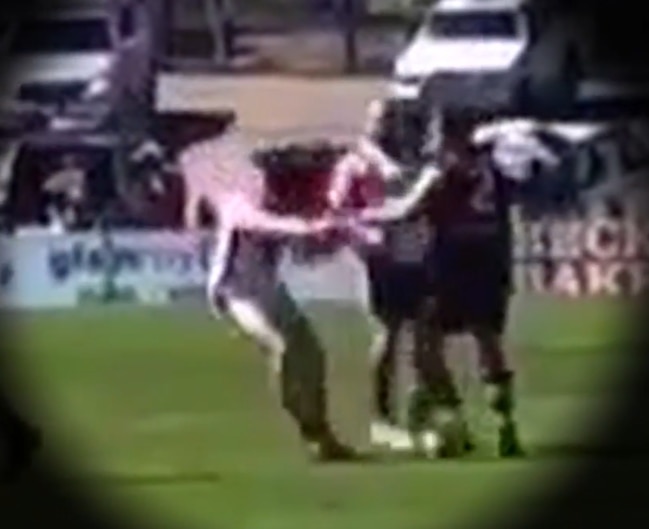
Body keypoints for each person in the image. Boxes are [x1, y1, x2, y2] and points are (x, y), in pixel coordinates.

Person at [178, 120, 359, 461]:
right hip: (234, 290)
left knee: (313, 353)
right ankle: (310, 434)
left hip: (267, 287)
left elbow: (308, 246)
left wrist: (331, 227)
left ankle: (323, 434)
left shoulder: (285, 201)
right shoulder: (238, 198)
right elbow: (255, 221)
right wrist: (306, 228)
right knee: (285, 347)